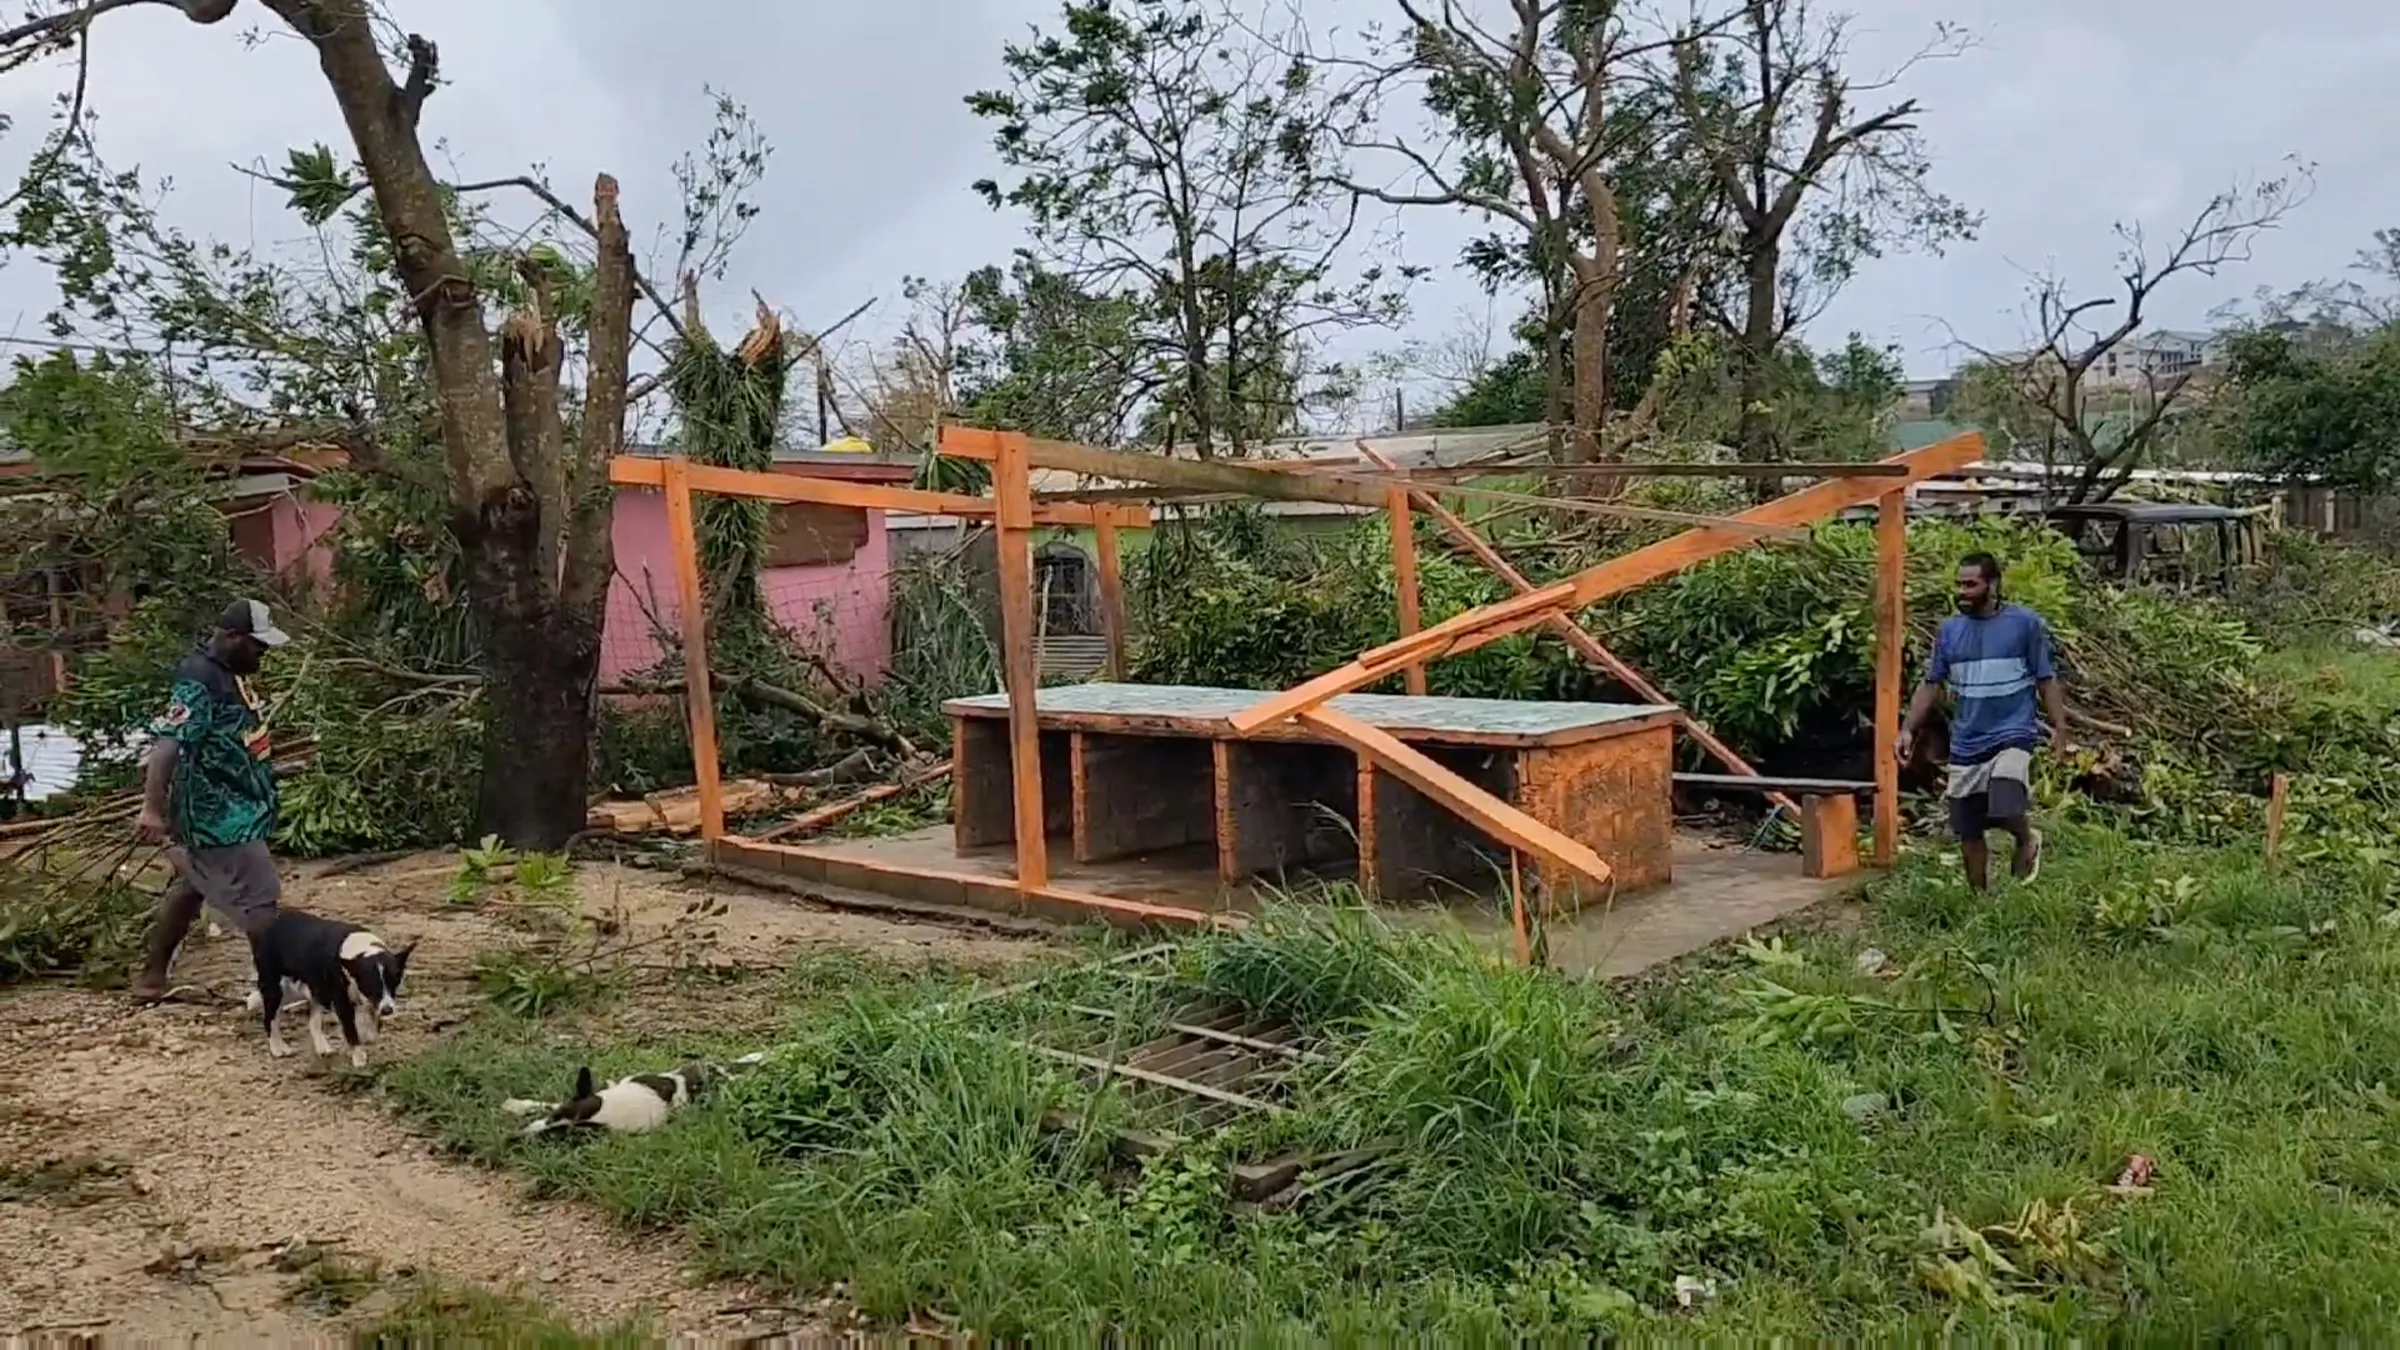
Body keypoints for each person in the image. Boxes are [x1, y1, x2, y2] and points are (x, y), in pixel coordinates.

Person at [129, 599, 291, 1001]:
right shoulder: (199, 678)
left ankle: (150, 979)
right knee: (260, 896)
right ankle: (274, 988)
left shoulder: (229, 672)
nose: (263, 653)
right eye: (258, 645)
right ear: (233, 637)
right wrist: (151, 808)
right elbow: (170, 740)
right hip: (217, 812)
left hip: (236, 803)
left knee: (192, 885)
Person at [1897, 552, 2067, 892]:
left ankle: (2026, 838)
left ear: (1993, 585)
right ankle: (1979, 901)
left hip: (2013, 730)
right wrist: (1906, 728)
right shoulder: (1950, 631)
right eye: (1960, 584)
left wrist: (2060, 728)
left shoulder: (2024, 624)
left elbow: (2045, 679)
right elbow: (1931, 684)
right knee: (1968, 827)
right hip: (1967, 739)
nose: (1963, 591)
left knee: (2005, 798)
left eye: (1971, 584)